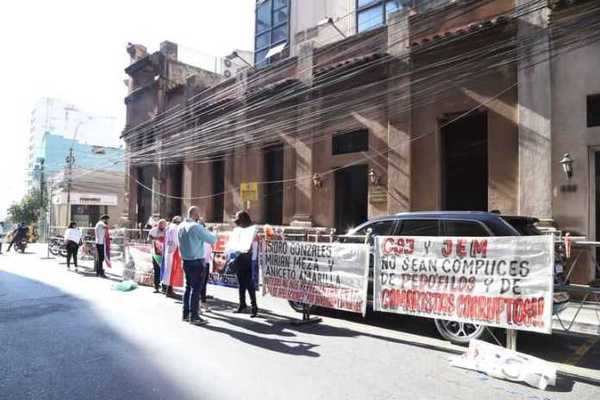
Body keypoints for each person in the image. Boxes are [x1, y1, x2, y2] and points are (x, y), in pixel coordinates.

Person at [177, 206, 216, 326]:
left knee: (188, 287)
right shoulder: (196, 227)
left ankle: (186, 313)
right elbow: (211, 239)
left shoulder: (181, 226)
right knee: (196, 289)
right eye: (199, 214)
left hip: (186, 260)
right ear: (195, 215)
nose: (200, 216)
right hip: (196, 261)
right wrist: (213, 231)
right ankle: (194, 316)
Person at [229, 211, 259, 317]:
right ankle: (242, 304)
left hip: (247, 258)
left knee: (249, 284)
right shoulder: (239, 230)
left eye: (238, 220)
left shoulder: (252, 229)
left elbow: (253, 244)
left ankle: (254, 307)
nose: (237, 223)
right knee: (241, 283)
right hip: (239, 256)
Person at [161, 216, 182, 297]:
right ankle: (169, 291)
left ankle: (166, 288)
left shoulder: (169, 227)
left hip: (168, 250)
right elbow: (175, 240)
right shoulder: (175, 228)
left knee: (167, 271)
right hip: (173, 251)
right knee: (171, 272)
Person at [148, 219, 167, 293]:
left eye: (163, 225)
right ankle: (156, 286)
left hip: (164, 254)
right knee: (156, 270)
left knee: (164, 270)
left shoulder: (167, 231)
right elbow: (149, 238)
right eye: (160, 225)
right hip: (155, 254)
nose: (161, 227)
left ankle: (164, 287)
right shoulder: (153, 230)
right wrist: (155, 239)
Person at [200, 225, 214, 312]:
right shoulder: (200, 239)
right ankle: (198, 305)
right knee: (199, 284)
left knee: (204, 284)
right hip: (201, 263)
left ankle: (203, 302)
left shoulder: (208, 238)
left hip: (206, 262)